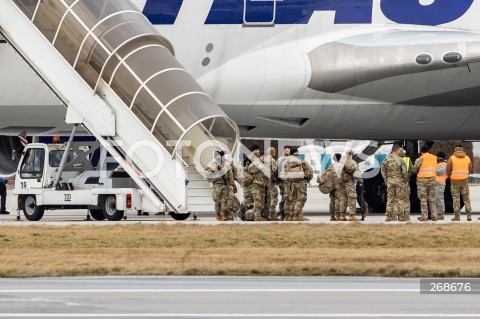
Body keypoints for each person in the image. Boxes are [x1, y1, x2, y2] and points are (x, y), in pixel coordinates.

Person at [281, 148, 313, 221]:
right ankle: (296, 215)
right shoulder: (301, 161)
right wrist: (307, 178)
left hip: (291, 183)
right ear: (297, 153)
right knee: (302, 198)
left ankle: (290, 216)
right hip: (301, 183)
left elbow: (283, 174)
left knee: (293, 200)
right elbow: (310, 171)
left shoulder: (286, 162)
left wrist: (286, 179)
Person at [205, 150, 235, 221]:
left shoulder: (225, 165)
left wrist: (231, 185)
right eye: (219, 156)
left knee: (224, 200)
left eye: (221, 156)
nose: (221, 157)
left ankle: (223, 214)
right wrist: (212, 170)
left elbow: (230, 175)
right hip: (217, 184)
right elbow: (206, 174)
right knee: (217, 200)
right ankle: (218, 214)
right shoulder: (212, 164)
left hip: (225, 184)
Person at [381, 144, 407, 222]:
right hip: (399, 181)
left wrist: (386, 179)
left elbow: (382, 170)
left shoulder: (386, 159)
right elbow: (404, 171)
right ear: (397, 150)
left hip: (390, 182)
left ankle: (388, 216)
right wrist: (404, 180)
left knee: (390, 199)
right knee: (400, 199)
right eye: (399, 150)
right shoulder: (400, 160)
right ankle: (401, 216)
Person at [447, 145, 473, 221]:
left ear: (455, 150)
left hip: (454, 182)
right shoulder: (467, 158)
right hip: (464, 181)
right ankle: (469, 215)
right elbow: (470, 169)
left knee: (456, 199)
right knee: (466, 199)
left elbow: (448, 170)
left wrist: (451, 178)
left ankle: (457, 216)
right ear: (462, 150)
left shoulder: (452, 158)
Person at [412, 145, 438, 221]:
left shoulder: (420, 158)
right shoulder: (434, 158)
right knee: (432, 199)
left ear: (421, 152)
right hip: (432, 180)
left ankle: (424, 216)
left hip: (422, 181)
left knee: (423, 199)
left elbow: (414, 169)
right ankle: (434, 216)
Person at [247, 145, 269, 221]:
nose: (263, 157)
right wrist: (260, 167)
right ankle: (256, 217)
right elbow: (250, 169)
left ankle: (250, 214)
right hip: (256, 185)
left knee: (261, 202)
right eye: (262, 156)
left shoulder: (264, 164)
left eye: (264, 156)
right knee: (257, 201)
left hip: (262, 185)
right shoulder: (255, 163)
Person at [341, 151, 363, 221]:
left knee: (343, 199)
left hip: (341, 184)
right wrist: (360, 180)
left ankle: (342, 215)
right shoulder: (352, 162)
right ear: (351, 155)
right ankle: (351, 215)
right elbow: (356, 174)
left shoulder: (341, 161)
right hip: (349, 183)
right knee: (352, 198)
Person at [399, 148, 414, 221]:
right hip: (405, 182)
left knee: (398, 199)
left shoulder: (395, 159)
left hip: (397, 182)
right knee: (406, 199)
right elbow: (412, 170)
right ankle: (407, 216)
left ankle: (400, 216)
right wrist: (407, 177)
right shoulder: (407, 159)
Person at [276, 146, 291, 220]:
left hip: (290, 182)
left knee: (290, 198)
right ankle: (282, 213)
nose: (287, 150)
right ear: (283, 150)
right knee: (284, 197)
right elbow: (277, 170)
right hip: (282, 182)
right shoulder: (280, 159)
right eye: (286, 148)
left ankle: (289, 213)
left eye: (288, 148)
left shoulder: (292, 158)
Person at [266, 147, 280, 221]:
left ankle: (266, 213)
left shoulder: (264, 159)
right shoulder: (272, 160)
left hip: (265, 181)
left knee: (268, 198)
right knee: (274, 197)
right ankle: (272, 214)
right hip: (271, 181)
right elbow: (274, 170)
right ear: (273, 152)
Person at [435, 151, 448, 220]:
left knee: (439, 199)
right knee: (435, 199)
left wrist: (433, 168)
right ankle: (436, 213)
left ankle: (440, 214)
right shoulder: (438, 164)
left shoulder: (445, 164)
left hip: (440, 184)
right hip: (435, 184)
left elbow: (439, 172)